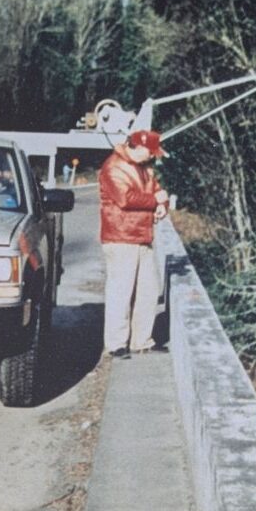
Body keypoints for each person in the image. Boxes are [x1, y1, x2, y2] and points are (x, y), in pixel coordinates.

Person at [98, 129, 170, 358]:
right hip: (121, 238)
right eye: (151, 152)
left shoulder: (144, 168)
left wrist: (162, 205)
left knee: (148, 291)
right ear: (138, 147)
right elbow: (125, 199)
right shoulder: (113, 167)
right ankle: (117, 344)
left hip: (142, 236)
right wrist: (155, 201)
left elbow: (159, 193)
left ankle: (142, 340)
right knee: (121, 292)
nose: (153, 157)